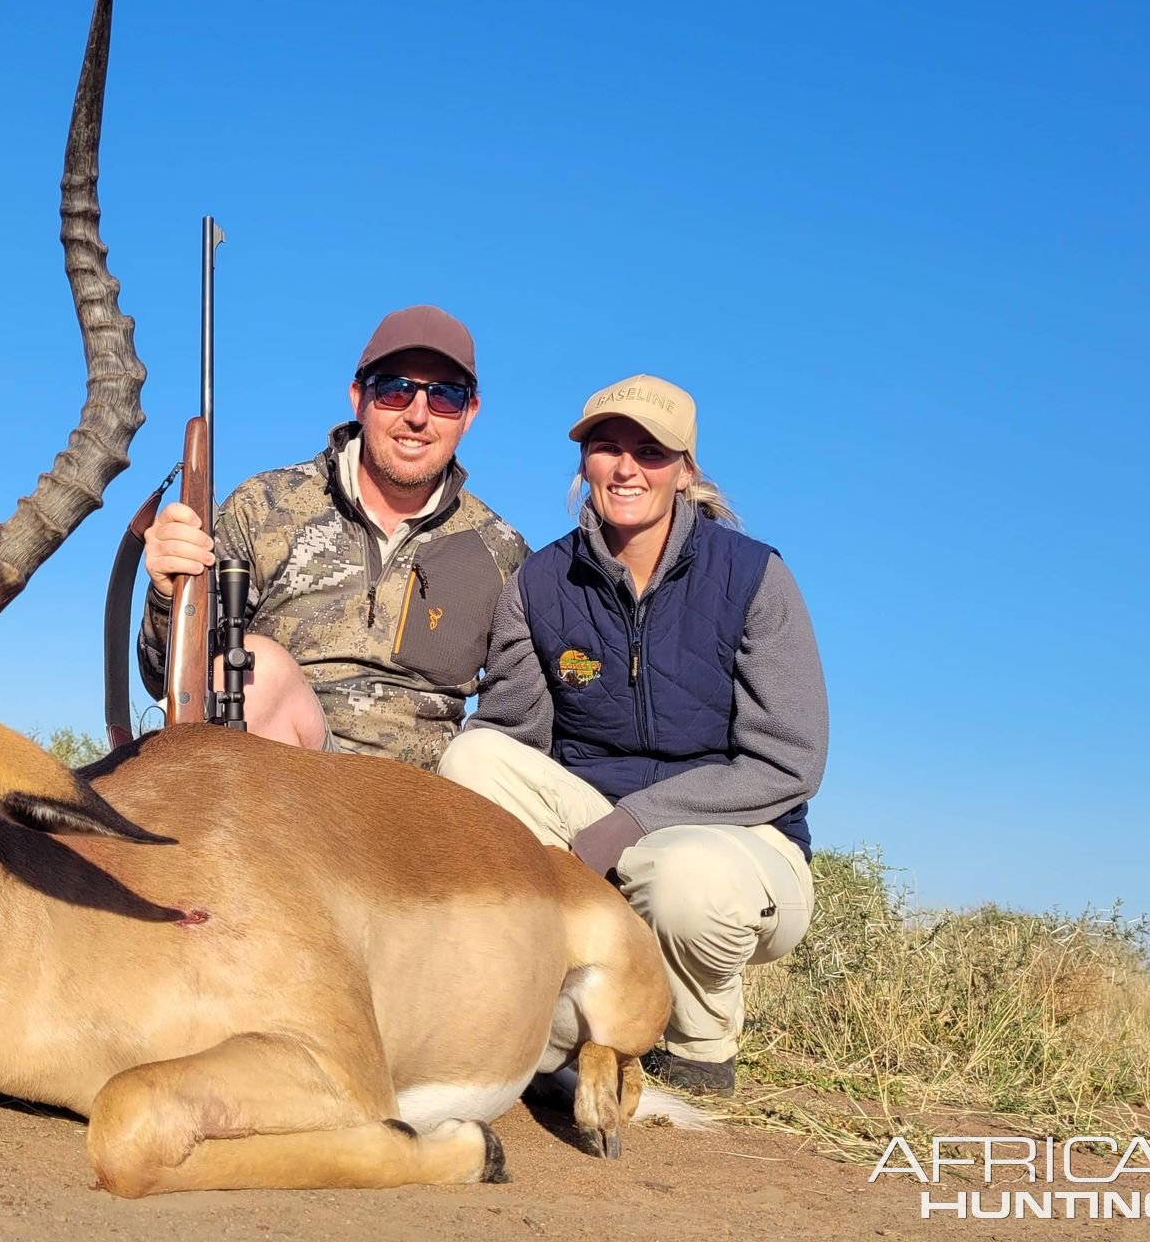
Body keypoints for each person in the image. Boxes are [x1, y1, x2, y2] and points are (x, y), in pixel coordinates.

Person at [438, 373, 826, 1094]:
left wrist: (633, 823)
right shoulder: (541, 583)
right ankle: (535, 1003)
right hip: (600, 833)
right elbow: (515, 731)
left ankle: (697, 1044)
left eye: (651, 452)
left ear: (684, 471)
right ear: (584, 462)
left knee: (683, 875)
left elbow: (787, 763)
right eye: (607, 448)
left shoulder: (755, 577)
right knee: (472, 758)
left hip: (738, 843)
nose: (626, 469)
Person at [138, 305, 529, 769]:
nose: (419, 415)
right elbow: (168, 674)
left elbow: (519, 719)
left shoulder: (502, 552)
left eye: (445, 396)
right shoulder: (263, 506)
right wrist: (168, 595)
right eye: (396, 390)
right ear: (358, 397)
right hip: (289, 779)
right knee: (254, 670)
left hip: (423, 807)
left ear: (470, 413)